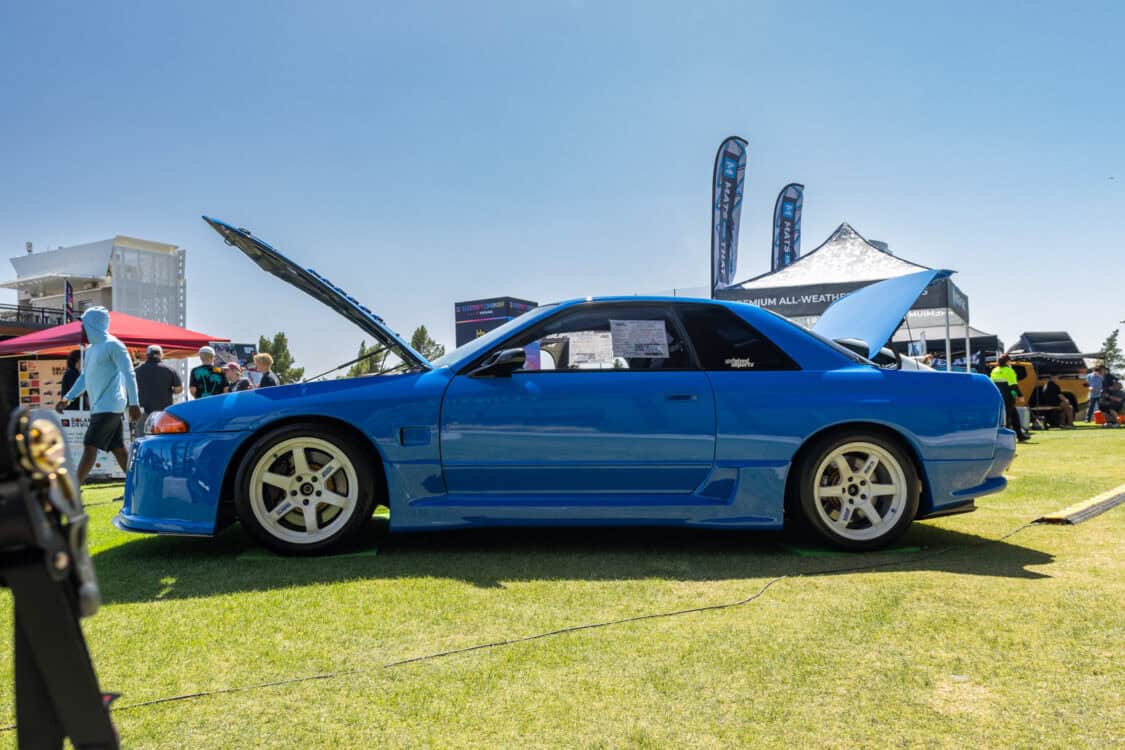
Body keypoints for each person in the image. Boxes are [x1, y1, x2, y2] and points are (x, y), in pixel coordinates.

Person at [54, 307, 141, 484]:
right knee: (118, 449)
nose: (82, 329)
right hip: (102, 406)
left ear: (92, 324)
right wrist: (67, 398)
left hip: (109, 405)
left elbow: (129, 373)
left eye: (84, 324)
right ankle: (138, 487)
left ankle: (73, 491)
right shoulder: (92, 349)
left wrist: (134, 403)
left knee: (89, 446)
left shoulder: (114, 345)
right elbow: (84, 378)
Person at [133, 344, 183, 434]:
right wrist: (169, 390)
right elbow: (179, 389)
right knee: (162, 437)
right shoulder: (169, 370)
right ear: (161, 355)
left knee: (141, 437)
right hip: (163, 412)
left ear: (147, 355)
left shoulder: (137, 371)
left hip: (143, 411)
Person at [990, 355, 1030, 442]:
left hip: (998, 397)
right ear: (1007, 361)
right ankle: (1005, 439)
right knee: (1007, 418)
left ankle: (1020, 436)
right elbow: (1013, 386)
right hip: (1008, 397)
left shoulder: (994, 370)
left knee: (1014, 416)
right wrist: (1019, 396)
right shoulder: (1009, 371)